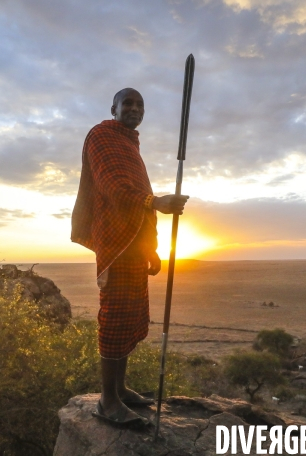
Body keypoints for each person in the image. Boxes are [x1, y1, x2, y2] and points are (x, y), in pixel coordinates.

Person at [71, 88, 189, 425]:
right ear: (114, 108)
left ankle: (120, 390)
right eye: (128, 103)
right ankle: (107, 402)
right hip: (115, 242)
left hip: (135, 245)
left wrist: (151, 246)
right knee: (114, 315)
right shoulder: (102, 136)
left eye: (139, 105)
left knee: (128, 315)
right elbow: (112, 184)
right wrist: (156, 202)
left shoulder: (129, 143)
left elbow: (137, 201)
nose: (134, 108)